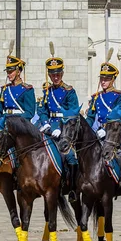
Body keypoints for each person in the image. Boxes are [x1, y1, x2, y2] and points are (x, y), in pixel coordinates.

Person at [86, 52, 121, 205]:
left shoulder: (119, 96)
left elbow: (118, 114)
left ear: (113, 79)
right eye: (102, 78)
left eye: (107, 79)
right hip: (99, 134)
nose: (103, 81)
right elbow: (90, 116)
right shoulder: (96, 97)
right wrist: (86, 131)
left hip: (116, 134)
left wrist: (106, 129)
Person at [36, 49, 79, 202]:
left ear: (62, 73)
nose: (55, 77)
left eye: (58, 74)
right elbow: (41, 110)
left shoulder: (69, 91)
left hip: (64, 129)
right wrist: (45, 123)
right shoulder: (47, 92)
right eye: (52, 74)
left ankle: (73, 188)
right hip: (48, 128)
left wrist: (59, 128)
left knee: (71, 156)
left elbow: (72, 113)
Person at [0, 51, 35, 122]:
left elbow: (30, 112)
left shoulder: (27, 90)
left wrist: (16, 120)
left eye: (11, 72)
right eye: (7, 72)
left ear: (18, 72)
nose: (8, 75)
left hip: (20, 123)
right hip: (6, 121)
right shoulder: (5, 89)